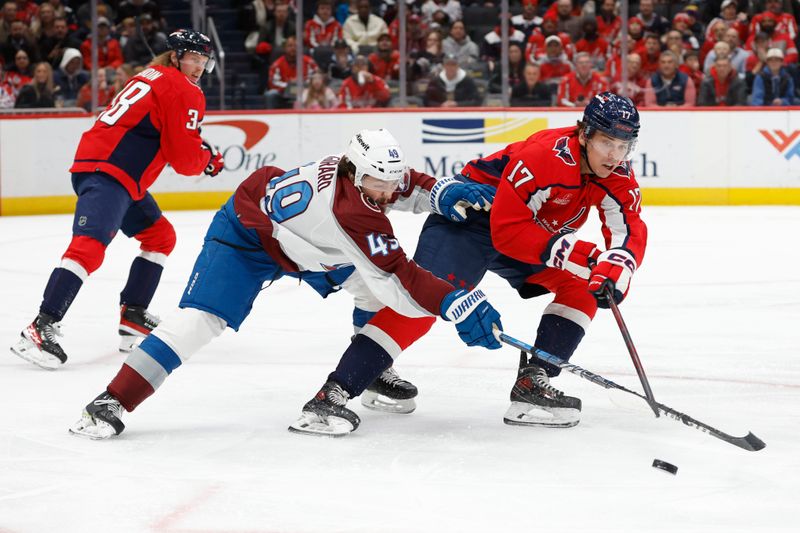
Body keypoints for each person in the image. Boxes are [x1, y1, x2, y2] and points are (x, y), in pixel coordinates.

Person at [68, 128, 503, 439]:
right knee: (200, 321)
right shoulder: (353, 215)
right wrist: (456, 301)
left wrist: (439, 191)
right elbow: (403, 283)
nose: (389, 190)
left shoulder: (363, 174)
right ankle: (112, 400)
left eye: (391, 180)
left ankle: (373, 372)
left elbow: (403, 182)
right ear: (356, 172)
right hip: (245, 237)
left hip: (308, 243)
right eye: (380, 183)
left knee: (368, 289)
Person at [328, 92, 647, 431]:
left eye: (623, 145)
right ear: (584, 135)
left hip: (529, 232)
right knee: (424, 302)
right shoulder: (545, 157)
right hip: (471, 219)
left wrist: (621, 261)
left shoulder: (617, 174)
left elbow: (629, 226)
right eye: (606, 142)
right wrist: (573, 253)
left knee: (583, 284)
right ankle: (334, 391)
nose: (614, 155)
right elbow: (507, 231)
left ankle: (533, 383)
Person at [10, 29, 224, 371]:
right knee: (88, 246)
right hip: (110, 174)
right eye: (193, 58)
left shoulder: (150, 75)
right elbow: (183, 159)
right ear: (175, 57)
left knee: (160, 236)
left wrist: (198, 151)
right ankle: (41, 325)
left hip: (112, 173)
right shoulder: (183, 88)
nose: (198, 67)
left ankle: (134, 316)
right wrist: (207, 160)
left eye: (203, 60)